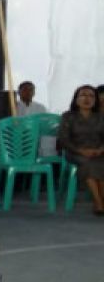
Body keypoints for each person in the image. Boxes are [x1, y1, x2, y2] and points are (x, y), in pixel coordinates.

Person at [58, 85, 104, 215]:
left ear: (95, 100)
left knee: (99, 162)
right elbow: (63, 139)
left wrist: (101, 149)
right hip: (75, 152)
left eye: (91, 96)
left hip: (98, 152)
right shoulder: (68, 116)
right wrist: (80, 150)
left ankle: (100, 201)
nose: (87, 98)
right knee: (88, 162)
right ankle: (98, 201)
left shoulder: (101, 117)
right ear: (76, 99)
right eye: (83, 95)